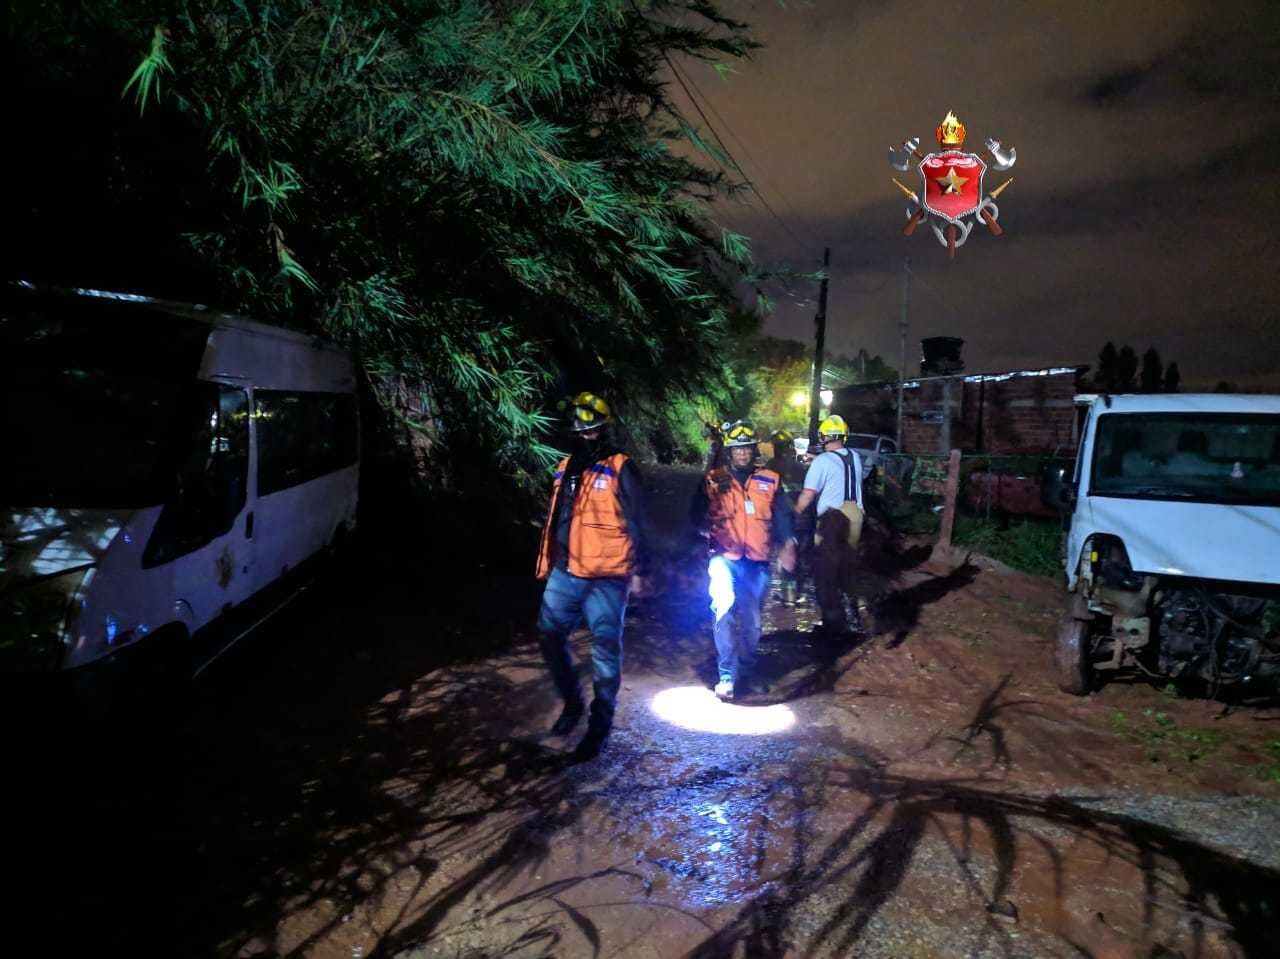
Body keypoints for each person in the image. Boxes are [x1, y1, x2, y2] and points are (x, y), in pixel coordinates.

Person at [534, 392, 649, 760]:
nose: (584, 433)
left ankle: (599, 725)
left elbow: (639, 521)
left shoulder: (620, 466)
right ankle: (573, 704)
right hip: (566, 570)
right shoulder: (565, 466)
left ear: (604, 426)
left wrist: (641, 570)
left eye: (591, 426)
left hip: (607, 575)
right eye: (580, 427)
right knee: (549, 635)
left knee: (604, 649)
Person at [693, 420, 797, 700]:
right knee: (724, 609)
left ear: (753, 451)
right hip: (723, 558)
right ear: (729, 451)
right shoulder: (713, 479)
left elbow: (783, 516)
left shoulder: (770, 480)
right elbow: (695, 515)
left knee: (752, 622)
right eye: (737, 449)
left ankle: (748, 671)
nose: (742, 453)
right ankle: (727, 675)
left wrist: (788, 543)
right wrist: (699, 535)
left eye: (747, 448)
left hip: (757, 561)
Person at [792, 415, 864, 636]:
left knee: (826, 570)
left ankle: (833, 623)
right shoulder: (856, 456)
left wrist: (793, 514)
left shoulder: (822, 461)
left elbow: (808, 494)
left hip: (833, 519)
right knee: (848, 565)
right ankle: (859, 609)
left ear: (824, 437)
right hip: (856, 516)